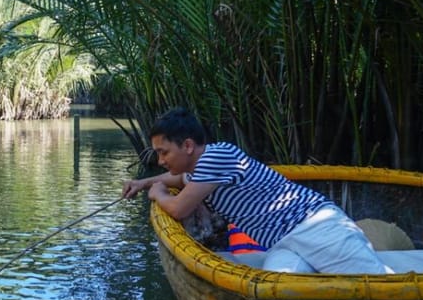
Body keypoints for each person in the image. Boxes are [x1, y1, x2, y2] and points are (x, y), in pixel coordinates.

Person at [122, 108, 392, 274]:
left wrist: (158, 194)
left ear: (188, 146)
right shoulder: (199, 167)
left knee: (380, 286)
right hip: (283, 242)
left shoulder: (217, 157)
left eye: (163, 152)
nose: (160, 160)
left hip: (315, 228)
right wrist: (143, 183)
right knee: (280, 291)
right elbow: (179, 178)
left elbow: (180, 206)